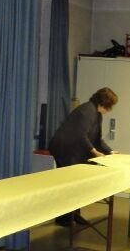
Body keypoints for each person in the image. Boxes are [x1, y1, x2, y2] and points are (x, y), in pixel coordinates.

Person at [48, 87, 119, 226]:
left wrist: (110, 152)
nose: (110, 109)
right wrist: (94, 152)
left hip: (74, 150)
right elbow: (80, 134)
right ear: (105, 102)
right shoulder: (88, 110)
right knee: (68, 184)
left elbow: (97, 139)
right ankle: (63, 218)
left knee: (77, 184)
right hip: (65, 149)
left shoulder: (97, 114)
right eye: (110, 105)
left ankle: (74, 215)